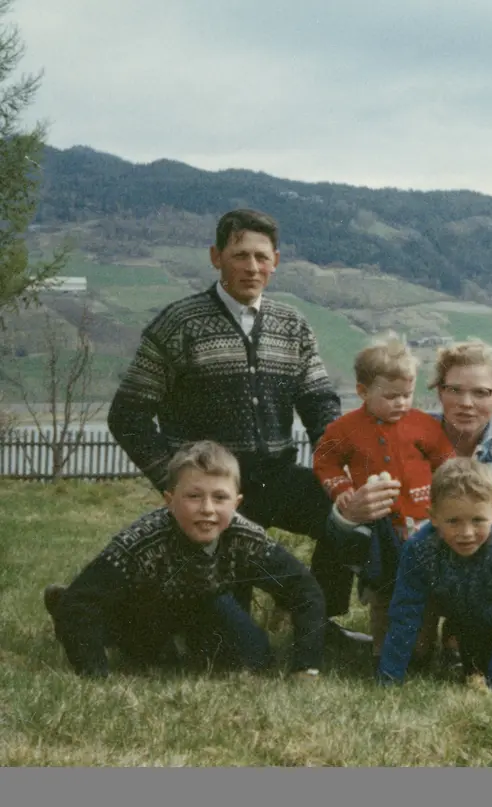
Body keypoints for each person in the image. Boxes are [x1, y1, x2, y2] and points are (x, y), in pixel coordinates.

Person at [106, 209, 363, 644]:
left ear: (276, 261)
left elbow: (320, 403)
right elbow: (126, 415)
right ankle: (106, 610)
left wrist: (339, 471)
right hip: (214, 490)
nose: (251, 267)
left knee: (348, 520)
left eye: (261, 257)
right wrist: (176, 481)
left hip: (276, 477)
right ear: (216, 256)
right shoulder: (178, 325)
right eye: (240, 254)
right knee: (229, 644)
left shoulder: (293, 325)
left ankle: (317, 620)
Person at [42, 441, 326, 680]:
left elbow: (304, 589)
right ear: (169, 500)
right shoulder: (141, 541)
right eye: (193, 496)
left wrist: (306, 666)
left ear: (237, 503)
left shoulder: (247, 538)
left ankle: (179, 643)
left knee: (255, 658)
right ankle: (67, 609)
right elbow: (84, 600)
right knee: (136, 647)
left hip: (205, 602)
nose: (207, 509)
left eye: (220, 497)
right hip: (142, 606)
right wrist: (95, 674)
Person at [329, 339, 492, 667]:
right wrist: (350, 509)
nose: (465, 403)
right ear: (438, 391)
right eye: (454, 390)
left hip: (482, 567)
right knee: (413, 655)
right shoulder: (405, 430)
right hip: (414, 564)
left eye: (481, 393)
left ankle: (459, 632)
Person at [312, 332, 455, 656]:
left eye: (407, 394)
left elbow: (445, 463)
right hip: (381, 526)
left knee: (425, 589)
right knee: (384, 591)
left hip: (422, 524)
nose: (402, 403)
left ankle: (422, 648)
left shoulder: (424, 425)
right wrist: (342, 489)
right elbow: (325, 461)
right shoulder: (344, 428)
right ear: (363, 391)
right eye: (391, 396)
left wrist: (440, 496)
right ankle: (382, 649)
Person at [378, 458, 492, 693]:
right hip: (457, 605)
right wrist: (389, 677)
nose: (466, 533)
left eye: (478, 520)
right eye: (453, 521)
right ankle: (451, 641)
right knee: (424, 654)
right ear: (433, 516)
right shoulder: (418, 548)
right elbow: (405, 611)